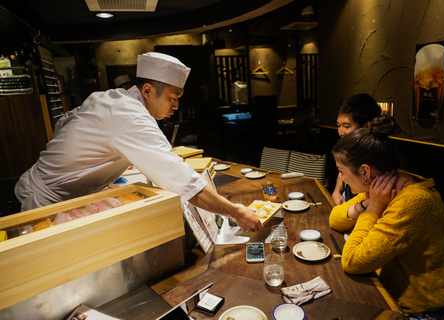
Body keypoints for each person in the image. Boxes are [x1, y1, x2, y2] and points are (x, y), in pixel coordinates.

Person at [15, 52, 262, 232]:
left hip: (66, 192)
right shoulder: (130, 115)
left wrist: (92, 168)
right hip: (45, 200)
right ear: (147, 90)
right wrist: (237, 212)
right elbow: (179, 178)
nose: (176, 106)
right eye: (172, 97)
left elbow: (63, 123)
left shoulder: (110, 97)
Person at [329, 116, 444, 319]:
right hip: (400, 294)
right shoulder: (382, 183)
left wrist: (372, 210)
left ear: (365, 171)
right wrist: (364, 205)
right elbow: (335, 219)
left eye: (341, 171)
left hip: (438, 308)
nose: (340, 178)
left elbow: (353, 261)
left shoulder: (412, 202)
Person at [331, 93, 381, 205]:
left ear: (367, 126)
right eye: (338, 125)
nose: (340, 132)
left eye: (346, 126)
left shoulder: (374, 153)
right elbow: (342, 170)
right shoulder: (347, 144)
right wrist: (336, 191)